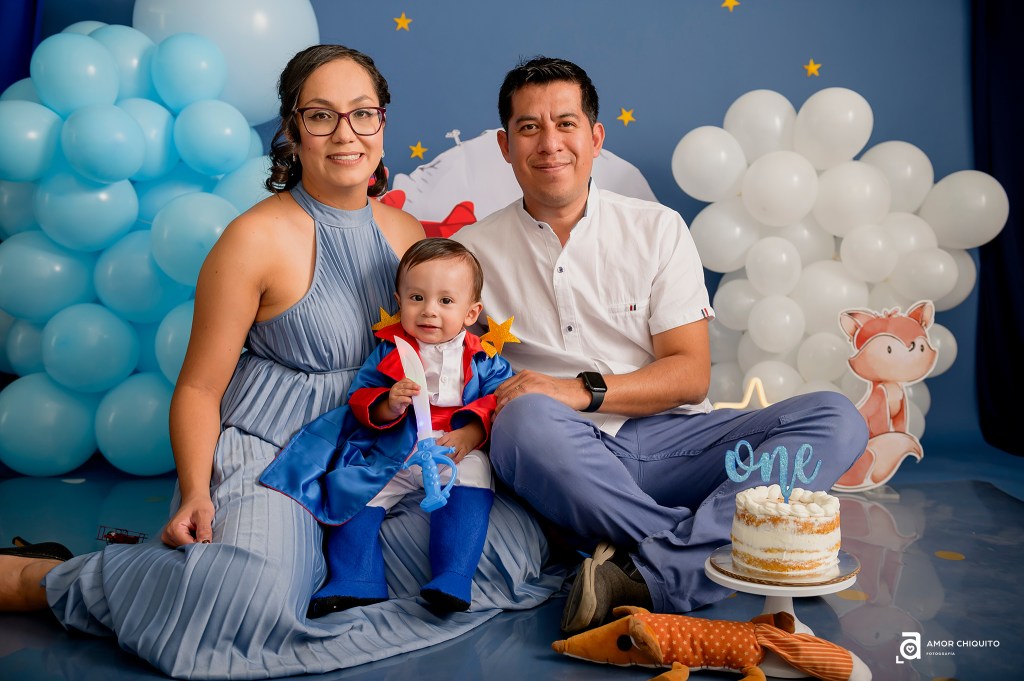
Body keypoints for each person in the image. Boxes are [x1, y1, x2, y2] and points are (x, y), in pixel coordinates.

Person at [0, 45, 559, 679]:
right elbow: (198, 388)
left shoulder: (406, 236)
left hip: (377, 451)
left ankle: (316, 568)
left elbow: (445, 358)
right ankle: (51, 579)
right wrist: (194, 491)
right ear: (292, 132)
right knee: (244, 598)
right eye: (321, 115)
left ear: (382, 123)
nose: (345, 134)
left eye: (362, 113)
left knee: (505, 549)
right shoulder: (252, 239)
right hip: (276, 448)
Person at [452, 56, 869, 634]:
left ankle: (655, 568)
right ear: (505, 145)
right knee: (520, 421)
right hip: (562, 457)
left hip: (678, 443)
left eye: (566, 124)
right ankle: (705, 551)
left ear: (596, 137)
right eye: (529, 127)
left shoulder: (656, 228)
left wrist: (579, 390)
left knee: (837, 417)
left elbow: (690, 376)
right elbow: (458, 379)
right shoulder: (468, 252)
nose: (550, 143)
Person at [260, 238, 512, 616]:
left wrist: (471, 433)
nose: (429, 311)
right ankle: (358, 578)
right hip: (397, 446)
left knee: (473, 480)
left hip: (455, 445)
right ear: (399, 301)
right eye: (416, 298)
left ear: (471, 312)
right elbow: (361, 394)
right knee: (355, 490)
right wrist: (387, 403)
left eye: (445, 301)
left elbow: (499, 398)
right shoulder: (390, 351)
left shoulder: (483, 357)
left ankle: (453, 576)